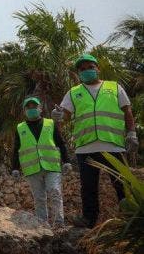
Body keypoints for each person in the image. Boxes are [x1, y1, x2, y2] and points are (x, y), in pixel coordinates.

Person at [51, 53, 137, 227]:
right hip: (86, 147)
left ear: (97, 68)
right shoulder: (74, 92)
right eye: (82, 69)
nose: (87, 71)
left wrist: (131, 133)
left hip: (113, 146)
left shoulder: (114, 87)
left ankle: (132, 217)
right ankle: (89, 220)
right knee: (88, 187)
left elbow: (127, 111)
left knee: (122, 185)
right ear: (79, 73)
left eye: (90, 67)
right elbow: (65, 115)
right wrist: (59, 116)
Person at [11, 97, 71, 227]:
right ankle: (42, 225)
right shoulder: (20, 128)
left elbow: (60, 142)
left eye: (34, 106)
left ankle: (59, 223)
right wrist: (15, 168)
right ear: (24, 110)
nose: (32, 109)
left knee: (54, 192)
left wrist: (66, 161)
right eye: (29, 107)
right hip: (33, 169)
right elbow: (16, 149)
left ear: (40, 109)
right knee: (39, 198)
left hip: (51, 166)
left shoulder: (50, 123)